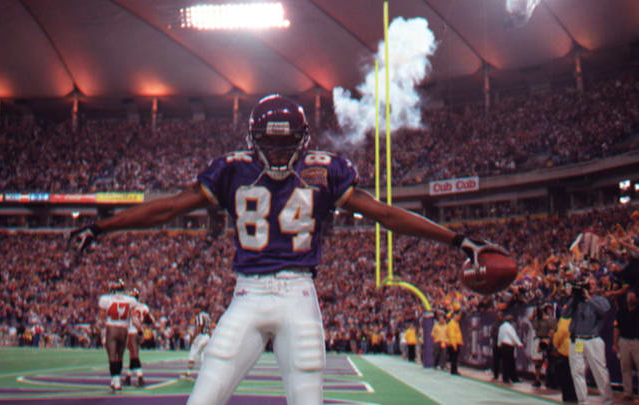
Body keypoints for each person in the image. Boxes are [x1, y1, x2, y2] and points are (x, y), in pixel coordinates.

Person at [70, 94, 505, 405]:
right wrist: (459, 240)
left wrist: (102, 227)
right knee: (204, 397)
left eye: (285, 141)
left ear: (302, 138)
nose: (278, 151)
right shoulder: (270, 169)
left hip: (293, 296)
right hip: (251, 297)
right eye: (271, 141)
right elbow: (165, 209)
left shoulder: (254, 169)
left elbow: (385, 214)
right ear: (255, 137)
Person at [562, 277, 612, 405]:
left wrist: (589, 298)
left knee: (600, 371)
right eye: (587, 285)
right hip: (578, 341)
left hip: (593, 340)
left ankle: (607, 401)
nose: (590, 287)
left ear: (597, 286)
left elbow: (604, 311)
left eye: (593, 284)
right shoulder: (576, 301)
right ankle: (583, 401)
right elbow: (564, 314)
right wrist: (573, 297)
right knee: (577, 370)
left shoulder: (599, 299)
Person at [98, 279, 138, 393]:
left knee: (111, 356)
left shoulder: (106, 299)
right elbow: (133, 317)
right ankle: (116, 381)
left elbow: (102, 315)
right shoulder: (131, 300)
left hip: (112, 328)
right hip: (124, 329)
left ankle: (116, 382)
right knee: (119, 356)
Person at [613, 289, 639, 401]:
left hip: (636, 341)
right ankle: (627, 392)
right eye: (629, 296)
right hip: (623, 340)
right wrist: (615, 343)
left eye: (633, 296)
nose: (630, 298)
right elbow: (616, 328)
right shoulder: (621, 312)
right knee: (625, 367)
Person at [125, 287, 152, 388]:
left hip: (132, 332)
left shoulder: (130, 307)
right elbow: (149, 319)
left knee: (135, 356)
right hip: (140, 332)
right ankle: (128, 377)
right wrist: (143, 329)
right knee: (133, 355)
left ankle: (140, 378)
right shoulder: (144, 307)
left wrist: (139, 327)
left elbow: (133, 319)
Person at [553, 316, 578, 403]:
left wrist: (555, 344)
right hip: (578, 349)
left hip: (566, 351)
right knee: (577, 376)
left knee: (566, 376)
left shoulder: (565, 319)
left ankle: (568, 397)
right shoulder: (581, 317)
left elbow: (561, 333)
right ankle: (576, 396)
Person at [530, 303, 556, 388]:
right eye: (547, 309)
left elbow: (553, 330)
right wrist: (535, 316)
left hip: (547, 340)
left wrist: (548, 339)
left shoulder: (552, 320)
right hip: (539, 339)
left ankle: (550, 381)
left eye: (550, 309)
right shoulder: (539, 319)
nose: (549, 311)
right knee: (538, 362)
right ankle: (537, 379)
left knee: (550, 361)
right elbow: (535, 326)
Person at [183, 309, 212, 379]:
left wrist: (193, 337)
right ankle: (205, 373)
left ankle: (188, 372)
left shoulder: (199, 316)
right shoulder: (207, 315)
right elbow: (209, 327)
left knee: (193, 352)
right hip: (207, 336)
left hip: (201, 336)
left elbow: (200, 326)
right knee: (203, 354)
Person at [498, 314, 522, 384]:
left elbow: (500, 336)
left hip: (503, 345)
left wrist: (499, 344)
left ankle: (505, 378)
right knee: (511, 362)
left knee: (505, 362)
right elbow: (513, 336)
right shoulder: (509, 327)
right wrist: (519, 343)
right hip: (509, 346)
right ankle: (514, 378)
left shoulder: (501, 326)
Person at [490, 311, 503, 381]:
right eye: (499, 315)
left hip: (503, 345)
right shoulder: (495, 324)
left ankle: (504, 376)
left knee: (504, 361)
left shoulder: (504, 324)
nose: (500, 317)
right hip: (496, 344)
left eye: (501, 315)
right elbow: (492, 333)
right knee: (496, 361)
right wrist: (499, 335)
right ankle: (496, 375)